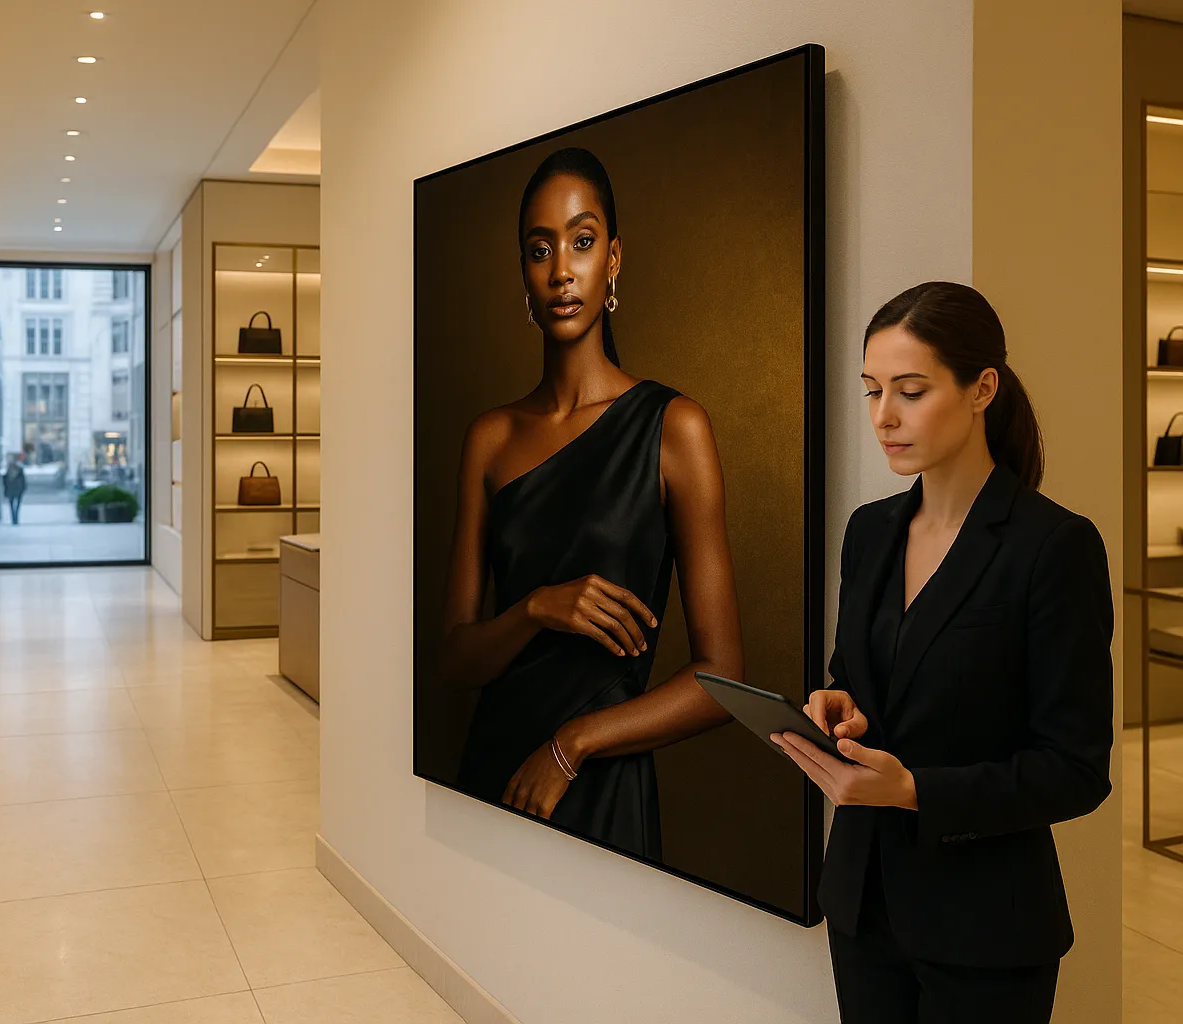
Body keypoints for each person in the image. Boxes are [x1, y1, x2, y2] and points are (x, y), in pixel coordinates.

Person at [772, 282, 1113, 1023]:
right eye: (871, 392)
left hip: (985, 929)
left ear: (982, 387)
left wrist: (914, 790)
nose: (883, 417)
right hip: (862, 906)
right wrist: (838, 706)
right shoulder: (869, 531)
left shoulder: (1052, 548)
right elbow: (863, 679)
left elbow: (1077, 769)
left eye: (911, 391)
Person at [438, 147, 744, 860]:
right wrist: (536, 607)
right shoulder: (491, 438)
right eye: (539, 248)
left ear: (612, 258)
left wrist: (572, 745)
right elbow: (455, 660)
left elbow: (723, 678)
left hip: (600, 783)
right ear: (523, 270)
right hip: (491, 769)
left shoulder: (675, 428)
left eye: (582, 241)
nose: (560, 270)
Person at [3, 453, 26, 525]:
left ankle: (13, 519)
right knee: (17, 505)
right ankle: (16, 518)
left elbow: (5, 481)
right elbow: (23, 480)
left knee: (11, 505)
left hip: (10, 489)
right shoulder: (20, 469)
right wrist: (23, 488)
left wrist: (5, 489)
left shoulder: (8, 470)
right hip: (18, 489)